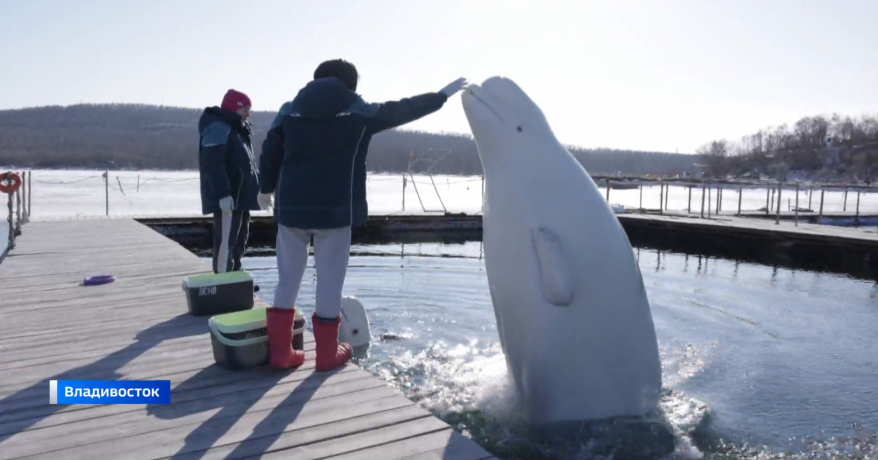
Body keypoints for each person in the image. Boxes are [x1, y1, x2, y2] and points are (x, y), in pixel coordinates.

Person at [258, 59, 467, 371]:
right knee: (330, 283)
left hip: (291, 209)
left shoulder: (289, 110)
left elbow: (270, 150)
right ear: (350, 83)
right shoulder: (358, 110)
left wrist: (265, 187)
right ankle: (326, 355)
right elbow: (402, 110)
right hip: (335, 211)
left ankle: (280, 353)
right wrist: (440, 96)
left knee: (287, 280)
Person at [197, 89, 264, 274]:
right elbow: (213, 163)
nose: (248, 113)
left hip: (241, 197)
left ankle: (235, 276)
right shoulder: (219, 128)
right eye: (245, 109)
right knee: (226, 242)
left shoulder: (238, 130)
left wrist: (259, 191)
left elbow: (246, 165)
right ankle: (223, 281)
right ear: (234, 109)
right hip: (228, 197)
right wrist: (223, 194)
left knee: (239, 241)